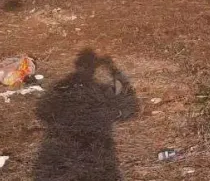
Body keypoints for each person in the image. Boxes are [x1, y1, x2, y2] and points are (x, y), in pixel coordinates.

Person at [35, 49, 137, 180]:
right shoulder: (101, 92)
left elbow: (42, 111)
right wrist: (114, 71)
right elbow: (130, 108)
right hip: (96, 152)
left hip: (66, 150)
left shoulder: (62, 88)